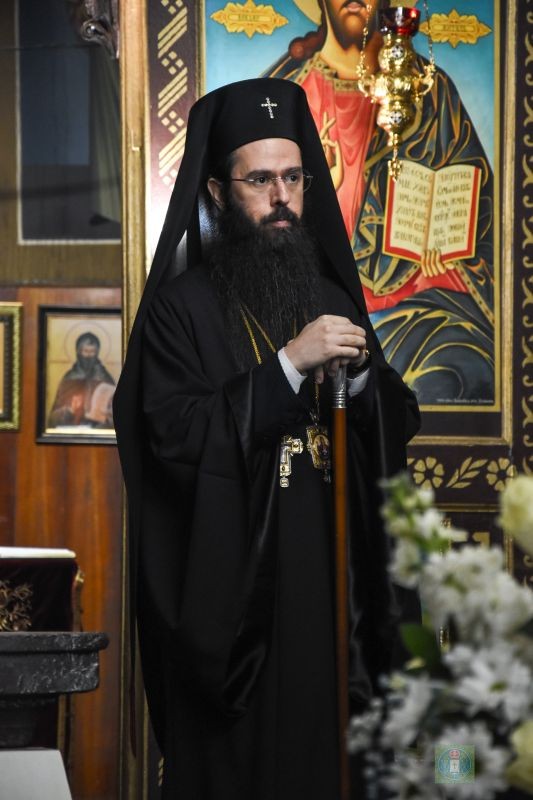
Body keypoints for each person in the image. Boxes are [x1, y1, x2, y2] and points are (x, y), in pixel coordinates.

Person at [113, 78, 420, 799]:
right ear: (218, 193)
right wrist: (288, 367)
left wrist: (362, 382)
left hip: (330, 585)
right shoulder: (180, 313)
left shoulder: (331, 298)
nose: (281, 197)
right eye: (259, 181)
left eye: (293, 178)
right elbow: (172, 437)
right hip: (235, 602)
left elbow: (394, 421)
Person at [266, 0, 494, 404]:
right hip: (315, 304)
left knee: (462, 369)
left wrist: (443, 247)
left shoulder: (427, 88)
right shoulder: (287, 95)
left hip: (420, 301)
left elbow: (472, 204)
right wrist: (325, 188)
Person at [48, 332, 115, 428]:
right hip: (71, 431)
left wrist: (104, 419)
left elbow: (115, 413)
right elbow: (53, 419)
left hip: (98, 431)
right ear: (78, 352)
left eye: (92, 351)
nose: (89, 355)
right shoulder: (69, 378)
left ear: (97, 353)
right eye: (85, 351)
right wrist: (69, 410)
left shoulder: (104, 377)